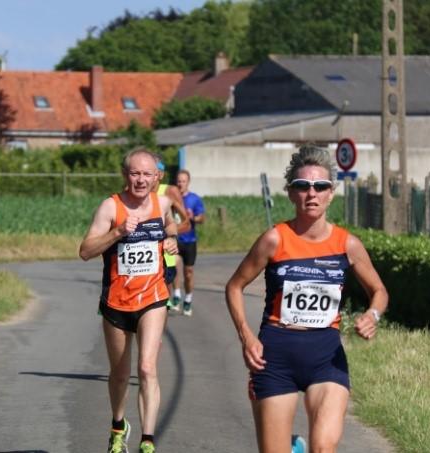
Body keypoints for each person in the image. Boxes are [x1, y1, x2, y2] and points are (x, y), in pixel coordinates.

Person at [225, 145, 388, 453]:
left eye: (320, 186)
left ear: (331, 193)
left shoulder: (347, 244)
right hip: (275, 357)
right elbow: (234, 286)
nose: (311, 193)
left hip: (326, 359)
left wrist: (373, 316)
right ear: (291, 193)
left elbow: (379, 291)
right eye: (302, 186)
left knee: (324, 447)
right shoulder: (274, 239)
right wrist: (246, 337)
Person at [79, 148, 179, 453]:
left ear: (156, 177)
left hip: (153, 297)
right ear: (126, 175)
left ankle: (147, 441)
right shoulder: (111, 207)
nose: (140, 179)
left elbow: (171, 224)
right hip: (116, 302)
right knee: (120, 374)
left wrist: (172, 238)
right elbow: (85, 250)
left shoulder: (162, 202)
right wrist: (118, 232)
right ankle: (118, 425)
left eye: (147, 174)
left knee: (148, 368)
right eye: (135, 173)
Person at [152, 158, 190, 307]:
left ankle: (176, 295)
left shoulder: (170, 191)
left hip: (165, 249)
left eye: (152, 173)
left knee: (162, 301)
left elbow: (186, 223)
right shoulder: (136, 191)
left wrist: (167, 233)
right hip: (144, 256)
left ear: (160, 174)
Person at [172, 169, 205, 316]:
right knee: (174, 267)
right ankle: (177, 295)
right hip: (175, 239)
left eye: (183, 181)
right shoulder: (171, 198)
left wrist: (194, 218)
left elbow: (202, 218)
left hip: (190, 241)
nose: (180, 184)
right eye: (178, 181)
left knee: (188, 273)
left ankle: (188, 299)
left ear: (188, 182)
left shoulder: (194, 199)